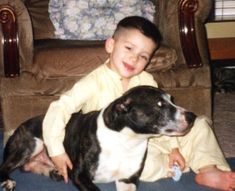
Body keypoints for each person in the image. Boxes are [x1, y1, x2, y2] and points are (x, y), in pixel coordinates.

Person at [42, 16, 235, 191]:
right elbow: (60, 108)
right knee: (143, 166)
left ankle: (209, 169)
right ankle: (178, 164)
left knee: (200, 125)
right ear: (110, 45)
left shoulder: (147, 81)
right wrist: (56, 151)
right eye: (129, 48)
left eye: (143, 56)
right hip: (123, 151)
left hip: (157, 136)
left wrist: (174, 147)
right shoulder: (92, 83)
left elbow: (166, 113)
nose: (134, 58)